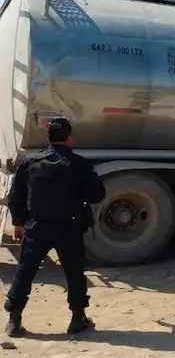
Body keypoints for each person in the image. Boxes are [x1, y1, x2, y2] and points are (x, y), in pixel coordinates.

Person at [4, 117, 106, 337]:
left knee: (25, 271)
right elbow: (97, 195)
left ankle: (14, 319)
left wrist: (18, 222)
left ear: (48, 137)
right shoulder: (79, 164)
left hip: (37, 225)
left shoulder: (30, 162)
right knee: (75, 272)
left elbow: (16, 197)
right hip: (69, 226)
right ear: (69, 138)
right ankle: (77, 319)